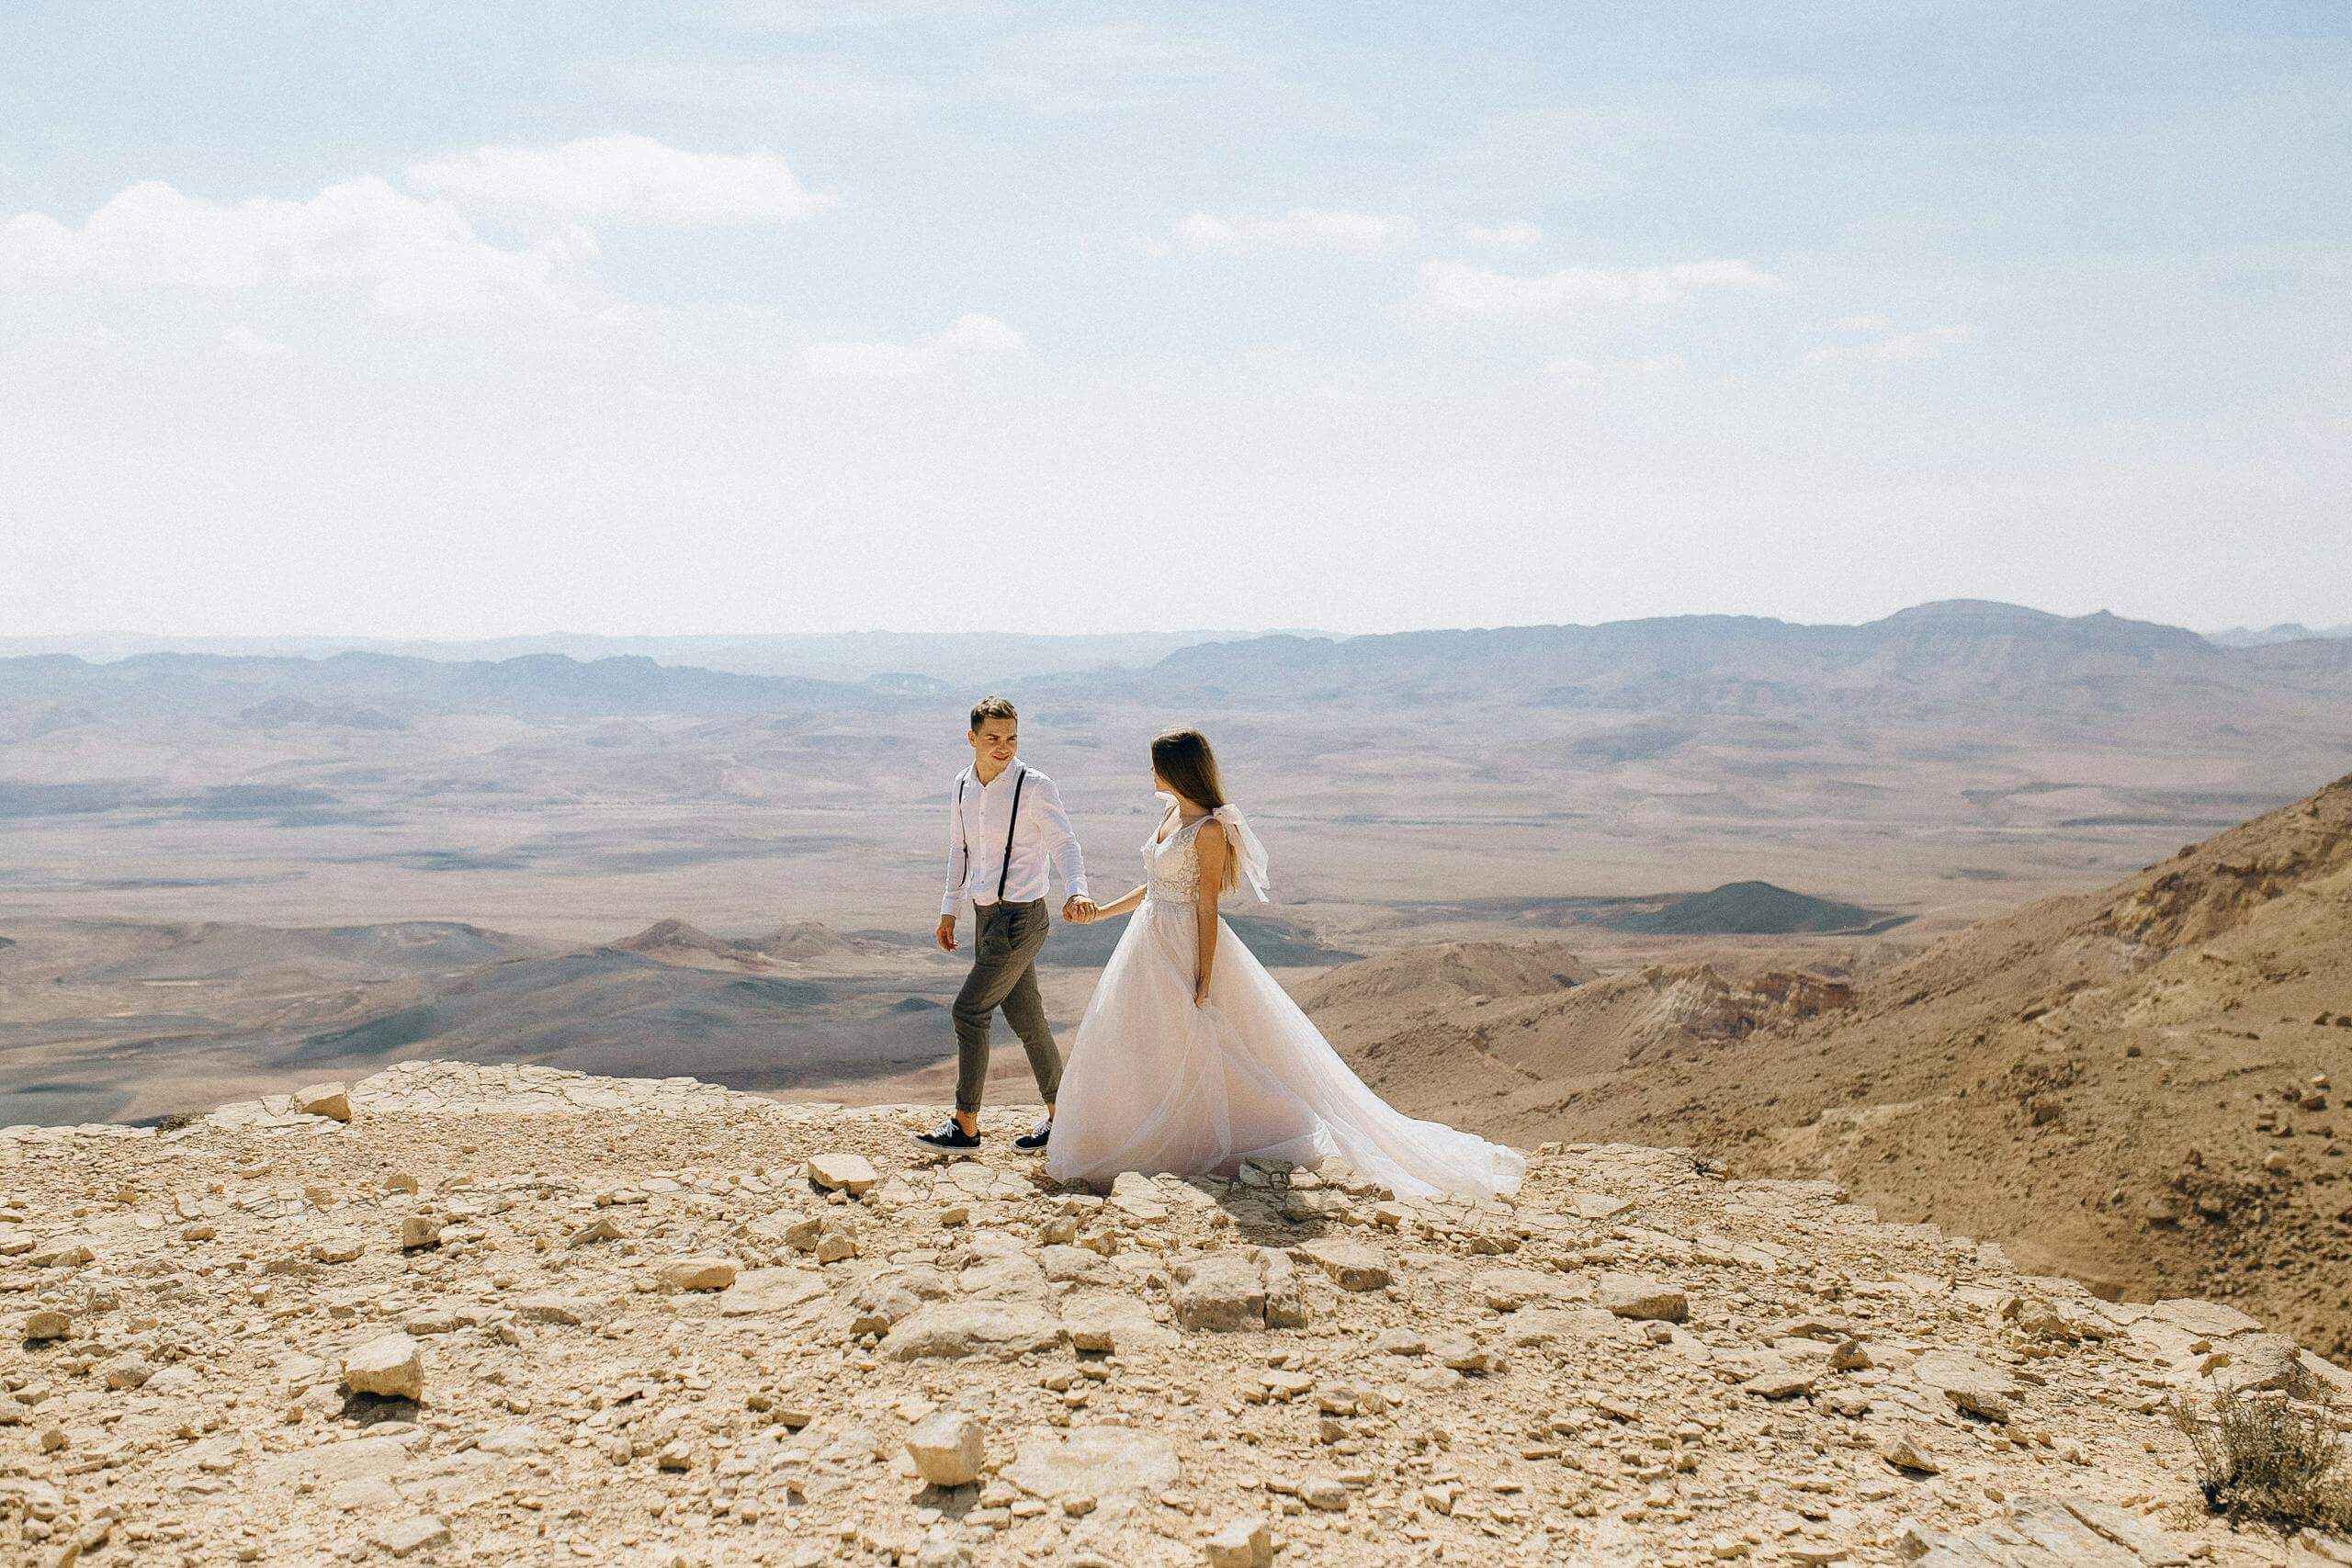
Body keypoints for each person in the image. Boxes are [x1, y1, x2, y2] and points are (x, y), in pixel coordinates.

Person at [1046, 727, 1525, 1203]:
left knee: (1198, 1040)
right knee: (1144, 1039)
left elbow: (1207, 906)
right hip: (1148, 940)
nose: (1150, 772)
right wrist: (1102, 912)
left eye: (1156, 764)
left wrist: (1205, 974)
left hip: (1184, 944)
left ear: (1175, 770)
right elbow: (1155, 884)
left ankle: (1199, 1141)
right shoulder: (1170, 813)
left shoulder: (1209, 830)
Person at [912, 694, 1094, 1154]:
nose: (1004, 746)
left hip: (1021, 919)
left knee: (969, 1011)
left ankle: (965, 1123)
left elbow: (1064, 842)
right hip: (984, 917)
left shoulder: (1034, 785)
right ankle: (1063, 1116)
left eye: (1011, 737)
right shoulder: (961, 786)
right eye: (992, 737)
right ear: (971, 738)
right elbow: (961, 849)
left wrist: (1076, 888)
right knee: (1028, 1020)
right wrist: (949, 907)